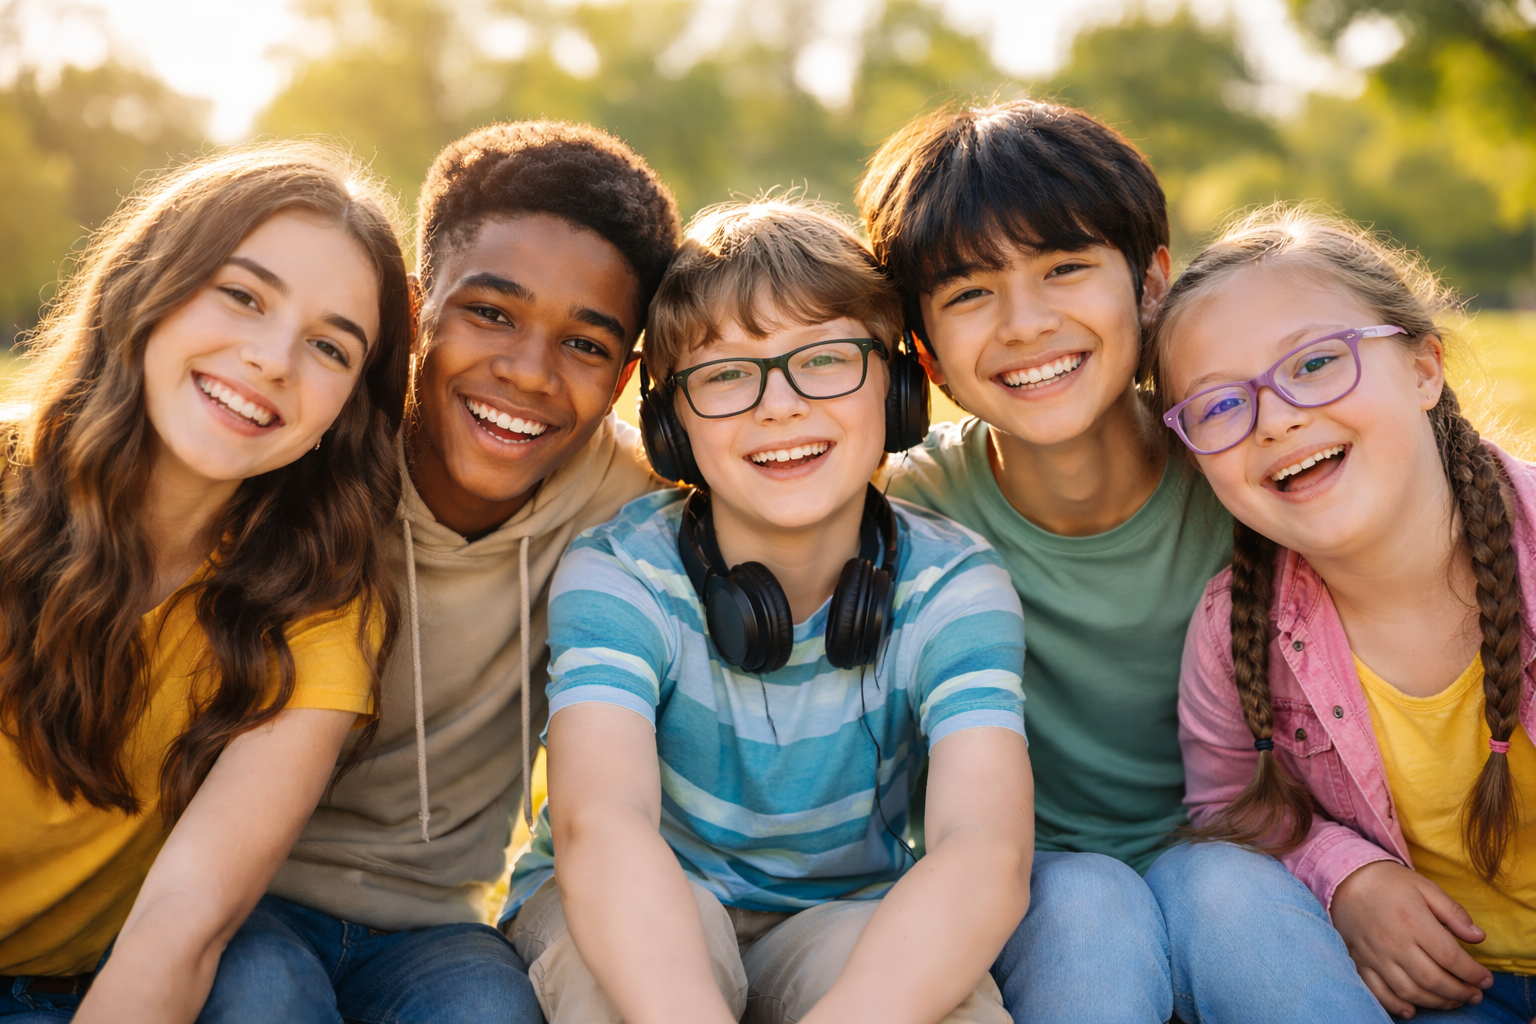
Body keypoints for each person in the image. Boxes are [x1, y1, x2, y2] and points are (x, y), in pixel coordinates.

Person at [858, 100, 1385, 1023]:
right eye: (970, 292)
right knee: (1086, 901)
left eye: (1065, 268)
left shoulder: (1252, 470)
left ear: (1151, 285)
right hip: (1035, 889)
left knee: (1223, 887)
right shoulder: (905, 510)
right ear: (927, 354)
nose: (1025, 323)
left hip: (1267, 871)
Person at [498, 198, 1032, 1024]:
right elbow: (603, 824)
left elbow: (982, 850)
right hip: (632, 894)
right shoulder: (621, 572)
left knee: (948, 1004)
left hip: (839, 914)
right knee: (618, 987)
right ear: (672, 424)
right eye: (725, 375)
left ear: (895, 390)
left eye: (824, 360)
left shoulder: (954, 586)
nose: (778, 406)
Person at [198, 121, 678, 1023]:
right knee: (260, 996)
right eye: (490, 313)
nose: (528, 373)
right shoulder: (310, 443)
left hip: (434, 925)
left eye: (585, 345)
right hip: (238, 891)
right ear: (415, 313)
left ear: (624, 378)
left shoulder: (629, 500)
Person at [0, 143, 413, 1022]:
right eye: (242, 295)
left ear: (349, 409)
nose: (272, 359)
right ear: (149, 285)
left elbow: (181, 924)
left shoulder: (316, 605)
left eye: (331, 348)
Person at [1153, 207, 1536, 1024]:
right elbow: (1229, 808)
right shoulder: (1235, 628)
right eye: (1220, 406)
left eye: (1317, 362)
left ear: (1425, 367)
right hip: (1431, 992)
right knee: (1198, 882)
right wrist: (1346, 874)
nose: (1278, 417)